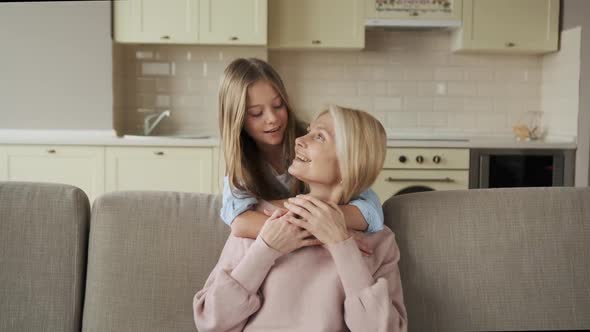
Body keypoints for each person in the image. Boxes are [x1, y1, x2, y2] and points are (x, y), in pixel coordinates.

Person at [194, 105, 407, 332]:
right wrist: (266, 249)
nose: (299, 140)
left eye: (319, 136)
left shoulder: (378, 242)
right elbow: (211, 322)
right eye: (308, 131)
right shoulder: (261, 222)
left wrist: (341, 246)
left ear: (348, 164)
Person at [217, 58, 384, 241]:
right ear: (237, 119)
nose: (272, 118)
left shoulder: (310, 140)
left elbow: (371, 212)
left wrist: (328, 225)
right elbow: (240, 222)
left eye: (278, 105)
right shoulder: (240, 162)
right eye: (256, 113)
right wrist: (320, 232)